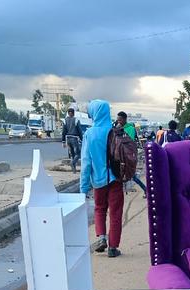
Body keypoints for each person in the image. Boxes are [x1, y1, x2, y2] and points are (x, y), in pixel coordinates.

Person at [80, 99, 123, 257]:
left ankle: (102, 237)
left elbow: (86, 163)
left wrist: (83, 187)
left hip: (98, 181)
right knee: (116, 213)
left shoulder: (89, 134)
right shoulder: (114, 131)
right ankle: (113, 247)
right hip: (116, 179)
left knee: (99, 209)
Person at [116, 111, 147, 197]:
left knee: (131, 175)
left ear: (125, 119)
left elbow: (129, 142)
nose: (119, 122)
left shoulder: (131, 129)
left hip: (128, 155)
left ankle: (145, 189)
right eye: (117, 120)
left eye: (120, 120)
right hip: (120, 155)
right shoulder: (118, 128)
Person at [61, 107, 83, 172]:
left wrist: (63, 141)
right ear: (73, 113)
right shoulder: (76, 120)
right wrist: (82, 139)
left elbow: (63, 131)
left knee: (72, 154)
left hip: (68, 139)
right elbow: (79, 131)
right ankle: (73, 163)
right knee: (78, 154)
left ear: (68, 113)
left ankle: (74, 170)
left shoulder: (65, 120)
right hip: (74, 138)